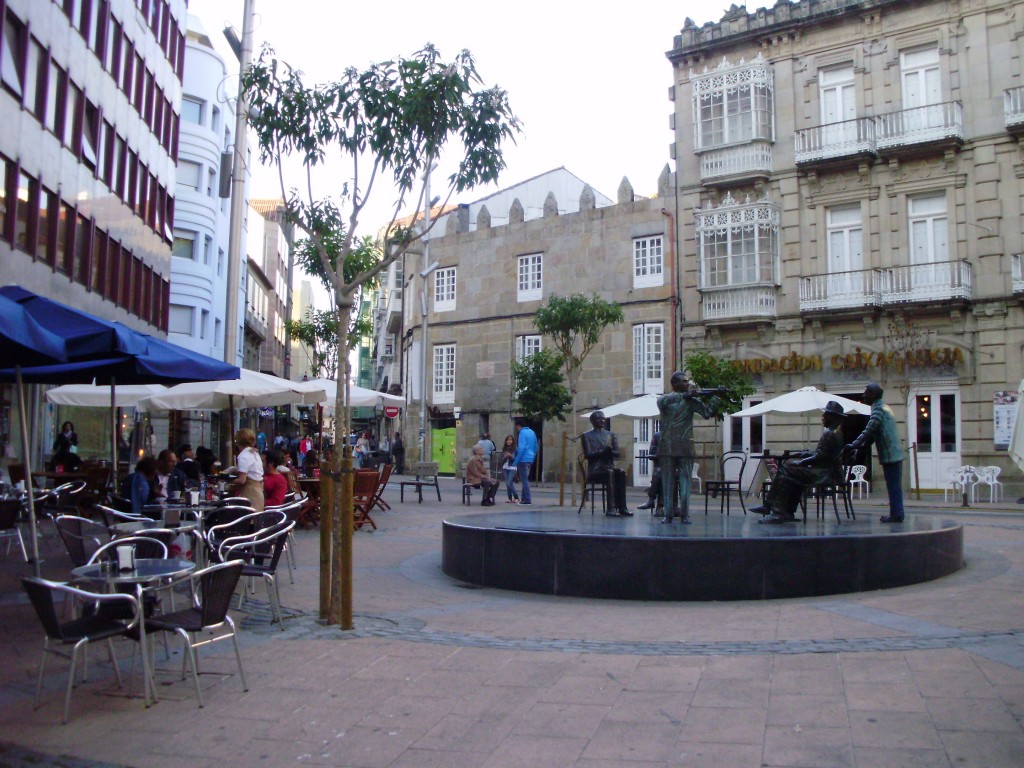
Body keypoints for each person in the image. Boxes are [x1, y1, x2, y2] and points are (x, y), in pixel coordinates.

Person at [751, 401, 847, 524]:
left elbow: (821, 456)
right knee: (790, 478)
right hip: (826, 473)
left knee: (785, 469)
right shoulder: (836, 433)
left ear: (834, 417)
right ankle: (785, 511)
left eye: (826, 414)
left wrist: (801, 462)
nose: (823, 417)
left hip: (822, 474)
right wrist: (806, 454)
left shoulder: (830, 434)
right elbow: (823, 454)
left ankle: (775, 510)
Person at [657, 371, 722, 524]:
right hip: (667, 447)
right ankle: (668, 514)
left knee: (686, 482)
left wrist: (716, 397)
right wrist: (685, 395)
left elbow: (706, 413)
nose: (687, 384)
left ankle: (685, 514)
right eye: (684, 382)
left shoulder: (691, 401)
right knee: (667, 482)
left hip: (685, 446)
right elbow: (663, 402)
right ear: (675, 384)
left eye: (687, 382)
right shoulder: (665, 400)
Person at [843, 382, 906, 523]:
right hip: (893, 453)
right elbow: (873, 435)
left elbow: (870, 429)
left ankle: (897, 514)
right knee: (893, 485)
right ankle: (896, 513)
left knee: (893, 486)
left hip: (891, 454)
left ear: (873, 394)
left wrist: (854, 444)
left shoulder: (878, 409)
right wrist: (859, 446)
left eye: (866, 392)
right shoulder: (883, 407)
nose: (863, 395)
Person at [580, 410, 631, 516]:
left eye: (603, 418)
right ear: (592, 421)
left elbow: (617, 453)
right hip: (595, 469)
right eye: (598, 418)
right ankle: (610, 508)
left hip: (608, 467)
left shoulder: (611, 435)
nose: (601, 420)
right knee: (609, 472)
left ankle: (622, 507)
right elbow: (588, 454)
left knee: (620, 472)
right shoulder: (586, 435)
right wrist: (603, 452)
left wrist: (610, 451)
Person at [230, 428, 265, 511]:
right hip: (258, 491)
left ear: (238, 442)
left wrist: (228, 481)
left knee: (248, 519)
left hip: (250, 493)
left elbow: (242, 480)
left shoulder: (243, 456)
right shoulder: (255, 453)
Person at [513, 417, 538, 505]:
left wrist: (516, 461)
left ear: (518, 426)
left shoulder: (522, 433)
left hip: (523, 458)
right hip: (530, 458)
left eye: (516, 427)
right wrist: (533, 457)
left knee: (524, 480)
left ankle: (527, 499)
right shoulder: (532, 432)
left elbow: (522, 447)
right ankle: (524, 498)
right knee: (525, 479)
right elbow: (536, 446)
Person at [637, 431, 662, 512]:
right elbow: (651, 455)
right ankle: (653, 501)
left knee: (662, 474)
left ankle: (659, 504)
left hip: (674, 467)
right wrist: (659, 453)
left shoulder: (677, 434)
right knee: (659, 474)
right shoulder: (657, 436)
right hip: (660, 466)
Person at [500, 435, 519, 503]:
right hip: (505, 467)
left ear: (513, 441)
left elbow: (515, 458)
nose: (509, 441)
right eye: (507, 440)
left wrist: (510, 455)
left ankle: (516, 497)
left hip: (512, 467)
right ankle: (509, 498)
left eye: (510, 440)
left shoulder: (515, 449)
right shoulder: (504, 448)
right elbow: (501, 459)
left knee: (509, 483)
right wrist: (504, 456)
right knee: (507, 483)